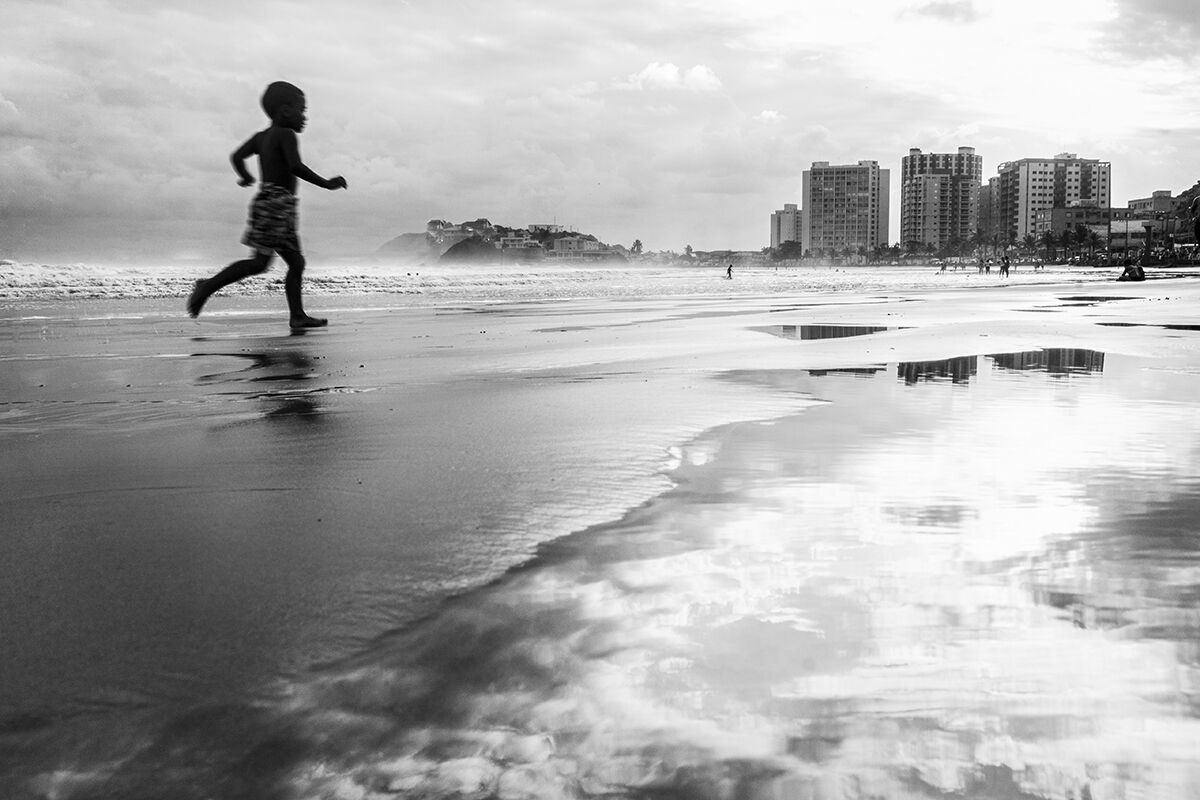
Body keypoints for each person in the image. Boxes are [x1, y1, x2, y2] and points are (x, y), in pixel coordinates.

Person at [188, 81, 347, 329]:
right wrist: (326, 184)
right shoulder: (286, 134)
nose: (304, 116)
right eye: (301, 110)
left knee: (296, 262)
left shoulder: (261, 137)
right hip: (276, 204)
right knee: (260, 262)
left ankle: (297, 316)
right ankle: (207, 286)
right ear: (285, 110)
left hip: (276, 204)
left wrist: (246, 176)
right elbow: (295, 166)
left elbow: (237, 156)